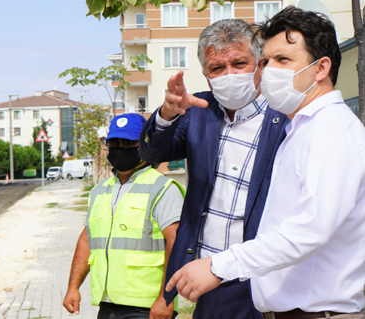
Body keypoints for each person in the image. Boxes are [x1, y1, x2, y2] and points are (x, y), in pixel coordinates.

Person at [168, 6, 365, 319]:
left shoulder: (331, 131)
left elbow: (310, 228)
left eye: (283, 60)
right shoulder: (300, 129)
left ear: (320, 68)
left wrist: (220, 265)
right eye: (265, 61)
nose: (268, 71)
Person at [138, 19, 289, 319]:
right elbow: (152, 152)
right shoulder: (198, 111)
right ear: (206, 76)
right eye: (217, 68)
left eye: (239, 63)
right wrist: (168, 113)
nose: (229, 75)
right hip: (205, 277)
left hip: (261, 277)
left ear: (259, 65)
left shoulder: (285, 116)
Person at [63, 113, 185, 319]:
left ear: (146, 145)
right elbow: (87, 240)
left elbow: (177, 242)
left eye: (128, 143)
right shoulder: (99, 191)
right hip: (107, 304)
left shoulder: (163, 189)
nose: (120, 149)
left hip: (146, 308)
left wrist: (166, 298)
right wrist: (73, 287)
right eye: (114, 143)